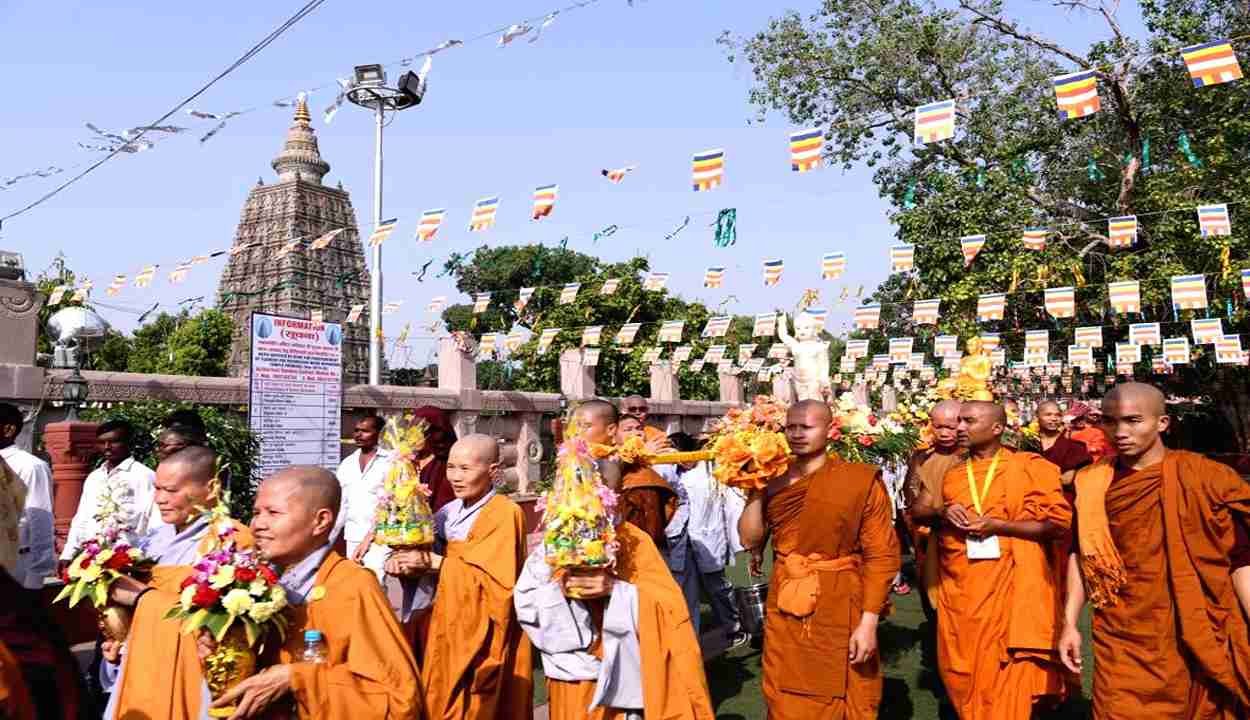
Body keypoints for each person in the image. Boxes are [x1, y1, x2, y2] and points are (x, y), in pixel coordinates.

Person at [1058, 383, 1250, 718]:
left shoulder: (1205, 478)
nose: (1120, 432)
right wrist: (1070, 622)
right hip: (1121, 629)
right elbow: (1081, 552)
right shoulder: (1091, 482)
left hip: (1193, 626)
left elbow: (1240, 558)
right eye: (1110, 421)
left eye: (1133, 421)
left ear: (1162, 423)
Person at [202, 466, 423, 719]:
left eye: (273, 513)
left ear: (320, 521)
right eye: (256, 512)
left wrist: (298, 679)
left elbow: (397, 698)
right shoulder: (252, 585)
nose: (257, 525)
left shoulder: (352, 587)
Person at [739, 399, 900, 719]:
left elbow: (881, 554)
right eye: (791, 427)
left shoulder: (859, 480)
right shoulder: (772, 479)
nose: (797, 434)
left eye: (807, 427)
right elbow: (749, 539)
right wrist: (756, 490)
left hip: (840, 598)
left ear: (830, 429)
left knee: (841, 686)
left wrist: (868, 624)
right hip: (787, 597)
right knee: (785, 687)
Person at [514, 491, 714, 719]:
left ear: (614, 497)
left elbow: (669, 611)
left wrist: (616, 591)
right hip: (570, 681)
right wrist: (556, 589)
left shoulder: (634, 541)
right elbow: (527, 604)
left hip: (622, 679)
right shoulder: (554, 544)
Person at [930, 401, 1071, 720]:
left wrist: (1000, 525)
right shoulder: (954, 474)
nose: (960, 428)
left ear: (997, 428)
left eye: (969, 421)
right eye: (959, 421)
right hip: (963, 588)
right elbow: (926, 512)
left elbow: (1057, 523)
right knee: (962, 667)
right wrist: (944, 512)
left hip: (1015, 585)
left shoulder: (1029, 467)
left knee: (1011, 670)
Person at [386, 434, 532, 718]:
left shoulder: (505, 512)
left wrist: (435, 562)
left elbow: (499, 586)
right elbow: (429, 580)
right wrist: (406, 566)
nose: (455, 477)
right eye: (451, 467)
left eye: (465, 469)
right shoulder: (444, 514)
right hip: (445, 623)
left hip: (484, 632)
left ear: (493, 472)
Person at [104, 446, 252, 720]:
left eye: (171, 491)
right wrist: (120, 641)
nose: (159, 499)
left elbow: (227, 634)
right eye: (157, 489)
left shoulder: (231, 542)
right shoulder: (152, 541)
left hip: (191, 676)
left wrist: (142, 597)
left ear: (211, 488)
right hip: (142, 667)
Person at [619, 416, 697, 633]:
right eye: (628, 429)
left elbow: (681, 486)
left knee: (675, 593)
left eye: (639, 428)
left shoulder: (660, 454)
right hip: (626, 541)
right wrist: (640, 455)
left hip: (665, 533)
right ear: (613, 434)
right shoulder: (612, 459)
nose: (636, 433)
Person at [670, 432, 748, 649]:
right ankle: (690, 638)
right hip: (680, 542)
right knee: (688, 592)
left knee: (717, 588)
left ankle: (734, 627)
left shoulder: (707, 471)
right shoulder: (671, 474)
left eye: (679, 454)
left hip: (707, 538)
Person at [576, 400, 677, 551]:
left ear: (611, 430)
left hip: (629, 544)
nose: (578, 431)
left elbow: (652, 527)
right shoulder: (581, 458)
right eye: (628, 429)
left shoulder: (641, 475)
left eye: (587, 426)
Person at [60, 420, 164, 566]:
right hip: (91, 558)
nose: (107, 447)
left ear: (128, 443)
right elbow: (82, 518)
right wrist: (68, 553)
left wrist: (148, 559)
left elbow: (155, 521)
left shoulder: (144, 476)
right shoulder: (95, 477)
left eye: (114, 442)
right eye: (102, 443)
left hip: (129, 560)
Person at [904, 399, 963, 619]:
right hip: (927, 535)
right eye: (938, 427)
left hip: (963, 537)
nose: (944, 433)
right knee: (932, 603)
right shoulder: (922, 457)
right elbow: (911, 493)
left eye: (951, 426)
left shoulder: (971, 457)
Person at [0, 403, 53, 591]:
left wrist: (36, 575)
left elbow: (41, 520)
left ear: (8, 429)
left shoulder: (31, 466)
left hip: (15, 566)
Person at [334, 414, 394, 580]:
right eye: (356, 430)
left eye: (365, 431)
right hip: (353, 535)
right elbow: (342, 505)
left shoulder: (391, 462)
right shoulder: (347, 464)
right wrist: (330, 537)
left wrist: (370, 537)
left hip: (381, 536)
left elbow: (393, 504)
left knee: (375, 583)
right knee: (355, 584)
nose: (358, 435)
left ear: (379, 434)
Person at [410, 406, 458, 512]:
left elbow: (448, 504)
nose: (412, 437)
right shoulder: (405, 459)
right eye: (411, 431)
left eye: (419, 431)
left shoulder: (449, 463)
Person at [1035, 400, 1091, 487]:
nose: (1054, 418)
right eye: (1048, 415)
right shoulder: (1029, 442)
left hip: (1060, 495)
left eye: (1058, 415)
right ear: (1037, 417)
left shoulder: (1074, 447)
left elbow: (1066, 480)